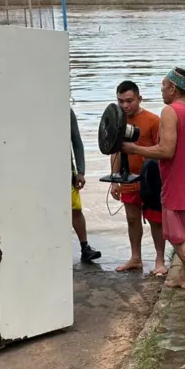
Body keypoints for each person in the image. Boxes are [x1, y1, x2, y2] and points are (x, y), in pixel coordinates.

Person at [122, 68, 185, 299]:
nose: (162, 91)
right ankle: (184, 279)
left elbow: (166, 150)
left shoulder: (170, 111)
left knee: (175, 236)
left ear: (173, 89)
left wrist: (134, 148)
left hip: (180, 181)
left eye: (163, 86)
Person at [110, 81, 165, 275]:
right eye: (120, 101)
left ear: (139, 99)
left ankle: (160, 259)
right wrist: (115, 180)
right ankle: (136, 257)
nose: (125, 106)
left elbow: (163, 150)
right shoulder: (117, 120)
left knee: (155, 220)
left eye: (129, 101)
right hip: (127, 179)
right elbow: (114, 151)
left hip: (150, 180)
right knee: (132, 219)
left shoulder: (153, 120)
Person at [70, 108, 102, 263]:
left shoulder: (66, 112)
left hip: (66, 171)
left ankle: (84, 247)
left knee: (75, 209)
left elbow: (77, 143)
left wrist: (80, 171)